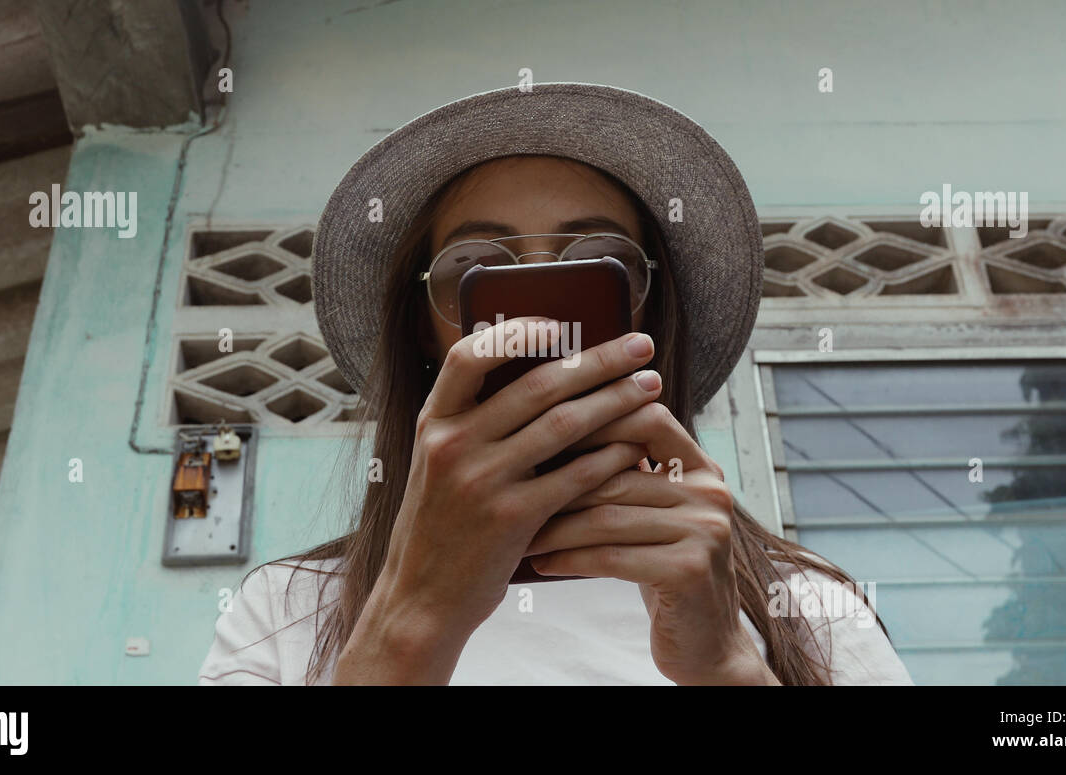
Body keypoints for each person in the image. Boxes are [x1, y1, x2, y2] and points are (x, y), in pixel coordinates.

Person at [199, 83, 913, 685]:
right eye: (476, 266)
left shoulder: (808, 607)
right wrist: (411, 619)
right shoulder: (284, 611)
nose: (536, 309)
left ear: (649, 313)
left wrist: (729, 664)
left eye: (598, 259)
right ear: (423, 327)